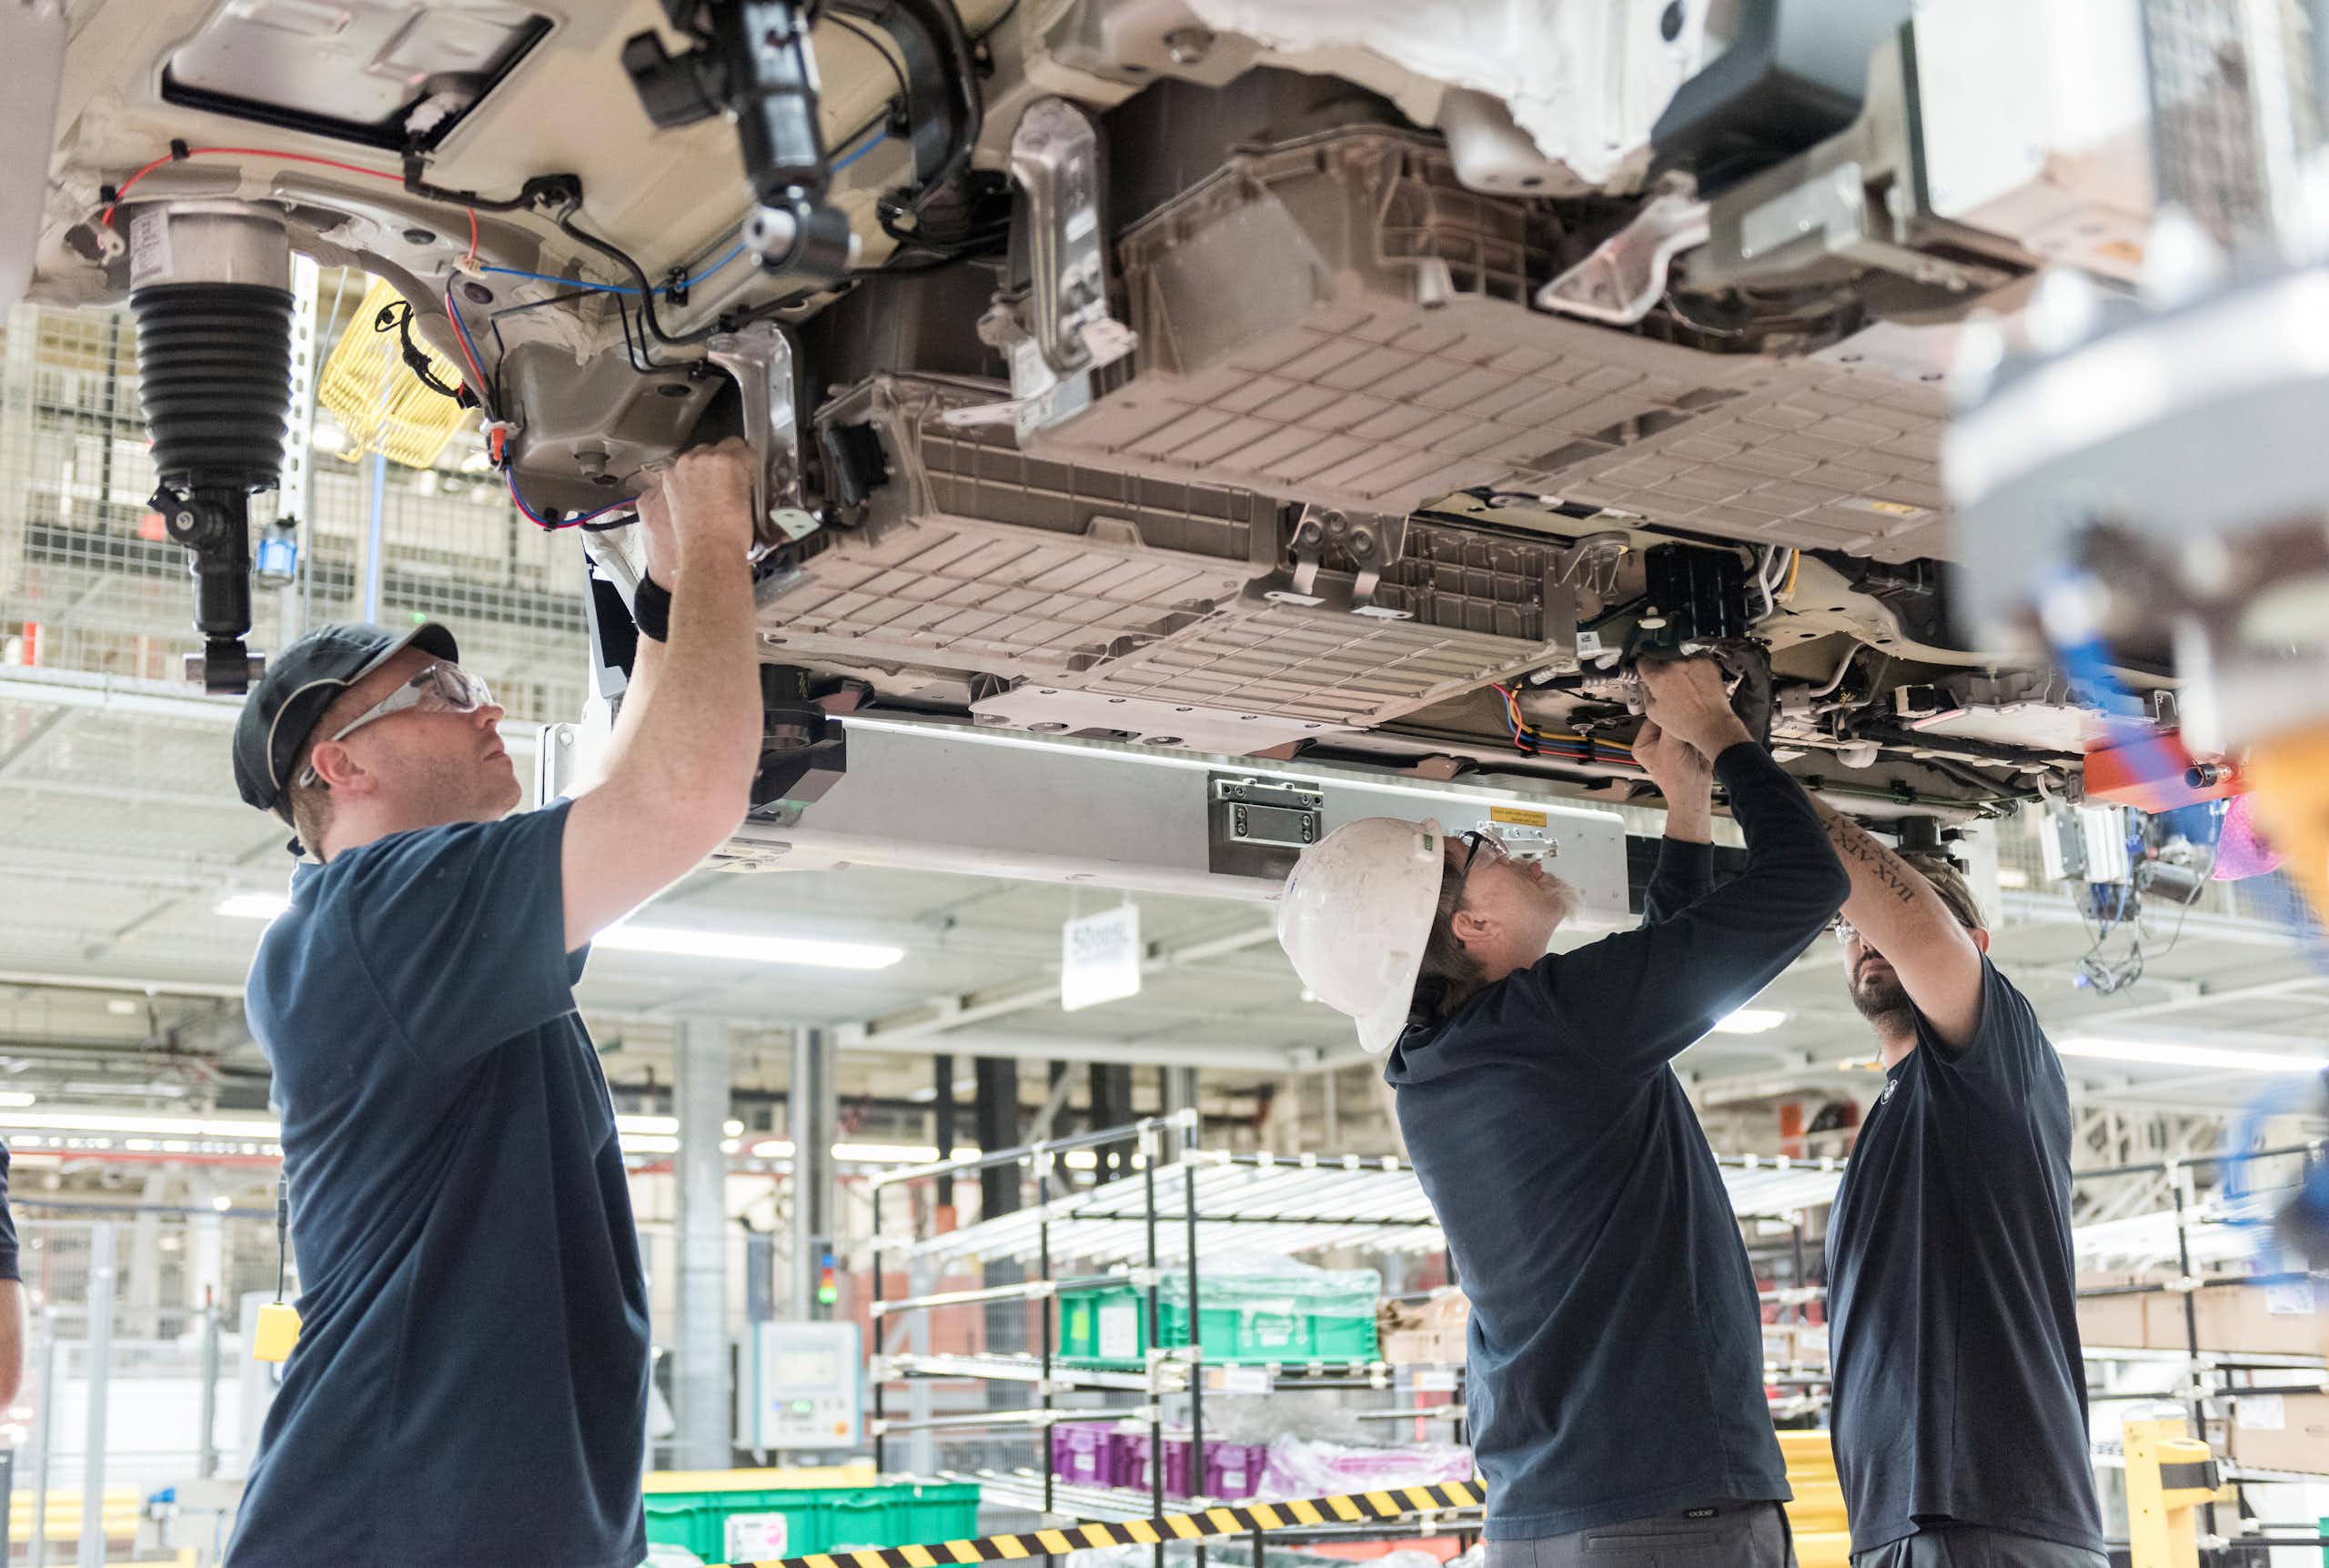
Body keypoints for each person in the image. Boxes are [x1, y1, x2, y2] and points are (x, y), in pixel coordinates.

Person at [219, 440, 764, 1568]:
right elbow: (686, 795)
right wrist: (715, 525)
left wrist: (670, 575)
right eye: (441, 691)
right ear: (340, 764)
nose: (486, 706)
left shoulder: (403, 931)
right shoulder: (376, 918)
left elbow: (631, 793)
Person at [1276, 658, 1849, 1567]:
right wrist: (1721, 730)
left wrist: (1688, 806)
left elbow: (1668, 982)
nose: (1511, 847)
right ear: (1463, 928)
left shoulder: (1441, 1065)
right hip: (1663, 1517)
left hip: (1544, 1520)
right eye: (1479, 857)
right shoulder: (1547, 1028)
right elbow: (1806, 882)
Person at [1810, 806, 2106, 1567]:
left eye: (1879, 920)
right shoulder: (1889, 1114)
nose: (1866, 939)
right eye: (1848, 929)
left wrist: (1744, 762)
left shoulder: (1996, 1065)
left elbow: (1918, 936)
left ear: (1974, 946)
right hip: (1904, 1525)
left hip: (1987, 1517)